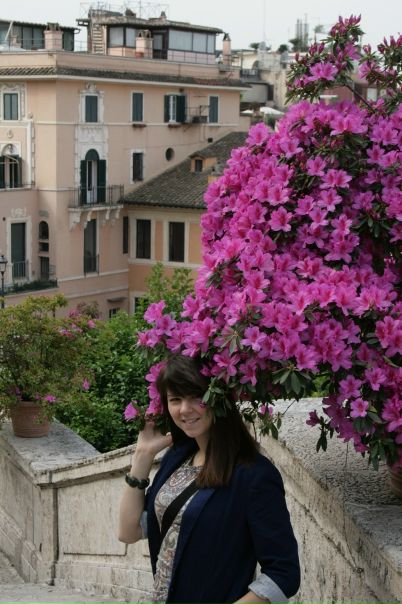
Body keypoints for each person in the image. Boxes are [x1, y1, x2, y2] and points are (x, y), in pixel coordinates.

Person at [118, 354, 300, 604]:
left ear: (219, 397)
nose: (184, 409)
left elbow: (283, 574)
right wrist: (143, 455)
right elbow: (128, 532)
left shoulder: (253, 475)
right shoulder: (177, 459)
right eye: (175, 399)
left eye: (196, 396)